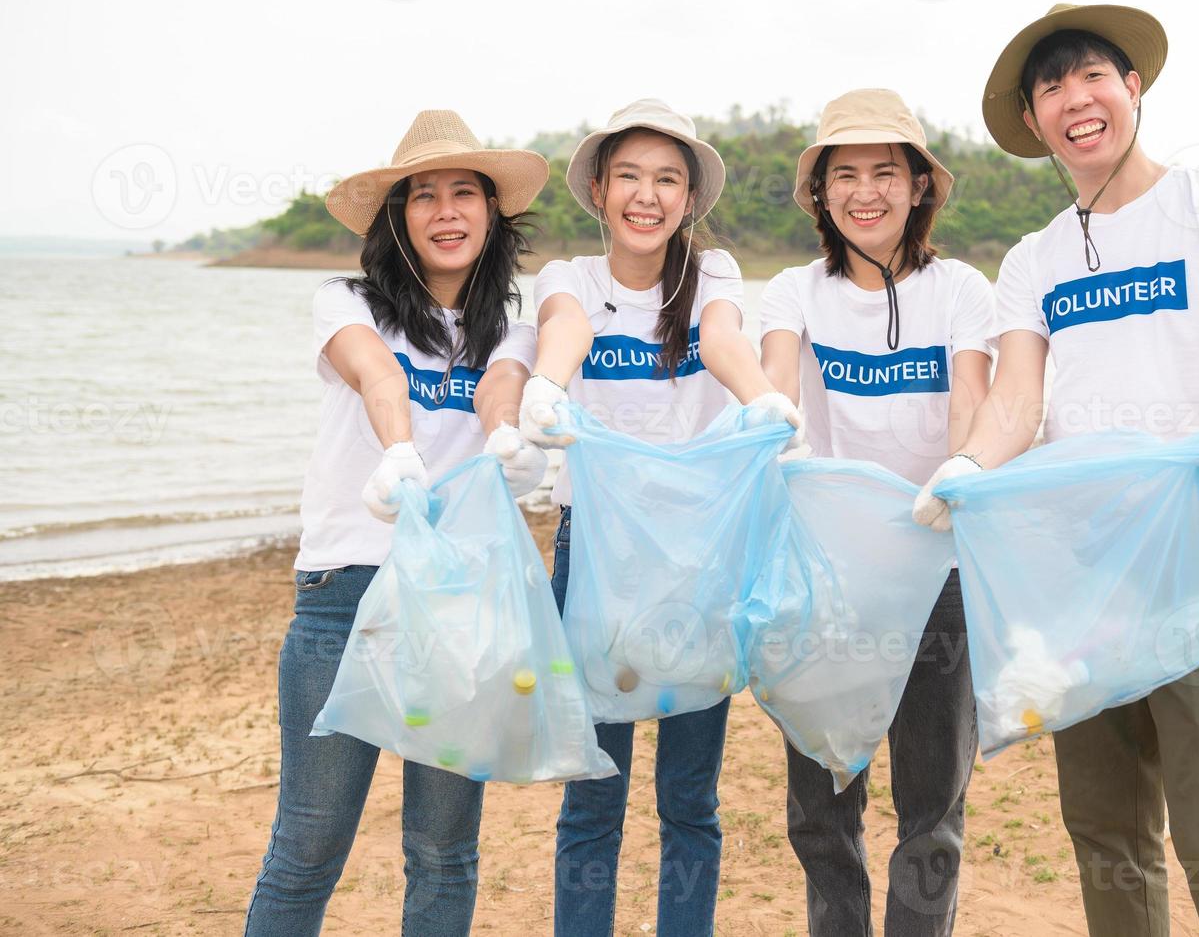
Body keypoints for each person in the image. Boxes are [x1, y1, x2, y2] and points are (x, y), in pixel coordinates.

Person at [914, 4, 1199, 936]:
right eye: (1050, 88)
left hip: (1193, 530)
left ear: (1131, 89)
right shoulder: (1032, 258)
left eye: (1091, 77)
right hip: (1077, 553)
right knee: (1103, 827)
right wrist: (963, 466)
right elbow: (1016, 405)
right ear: (1035, 120)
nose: (1073, 100)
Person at [244, 109, 551, 936]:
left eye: (464, 194)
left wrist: (508, 439)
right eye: (424, 196)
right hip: (345, 596)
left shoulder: (508, 326)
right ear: (398, 217)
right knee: (308, 843)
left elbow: (501, 385)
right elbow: (375, 372)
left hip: (458, 609)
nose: (445, 211)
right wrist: (400, 449)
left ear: (492, 214)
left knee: (444, 851)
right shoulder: (344, 300)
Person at [516, 98, 802, 937]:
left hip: (694, 561)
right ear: (600, 190)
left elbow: (722, 342)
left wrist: (764, 401)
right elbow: (562, 330)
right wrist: (545, 383)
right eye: (631, 178)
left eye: (667, 180)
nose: (648, 196)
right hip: (597, 558)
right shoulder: (569, 278)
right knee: (591, 794)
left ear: (688, 198)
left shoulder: (710, 276)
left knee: (689, 799)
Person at [759, 88, 995, 936]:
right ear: (820, 193)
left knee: (930, 810)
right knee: (822, 806)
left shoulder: (962, 289)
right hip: (826, 579)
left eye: (886, 172)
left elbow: (972, 396)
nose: (867, 191)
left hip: (938, 568)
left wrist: (959, 469)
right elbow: (776, 380)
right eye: (845, 174)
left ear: (919, 187)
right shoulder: (794, 292)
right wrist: (772, 426)